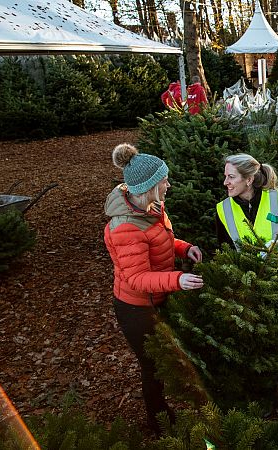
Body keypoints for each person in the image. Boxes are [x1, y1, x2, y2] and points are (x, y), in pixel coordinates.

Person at [104, 143, 204, 432]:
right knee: (152, 365)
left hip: (157, 296)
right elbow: (136, 278)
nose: (168, 185)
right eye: (164, 181)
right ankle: (159, 423)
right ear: (149, 187)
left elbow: (161, 240)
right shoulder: (125, 227)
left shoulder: (152, 207)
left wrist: (185, 249)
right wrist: (178, 280)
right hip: (136, 307)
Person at [215, 154, 278, 322]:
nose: (225, 182)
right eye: (225, 177)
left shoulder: (277, 198)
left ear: (249, 179)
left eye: (231, 177)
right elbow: (225, 253)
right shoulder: (223, 209)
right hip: (251, 292)